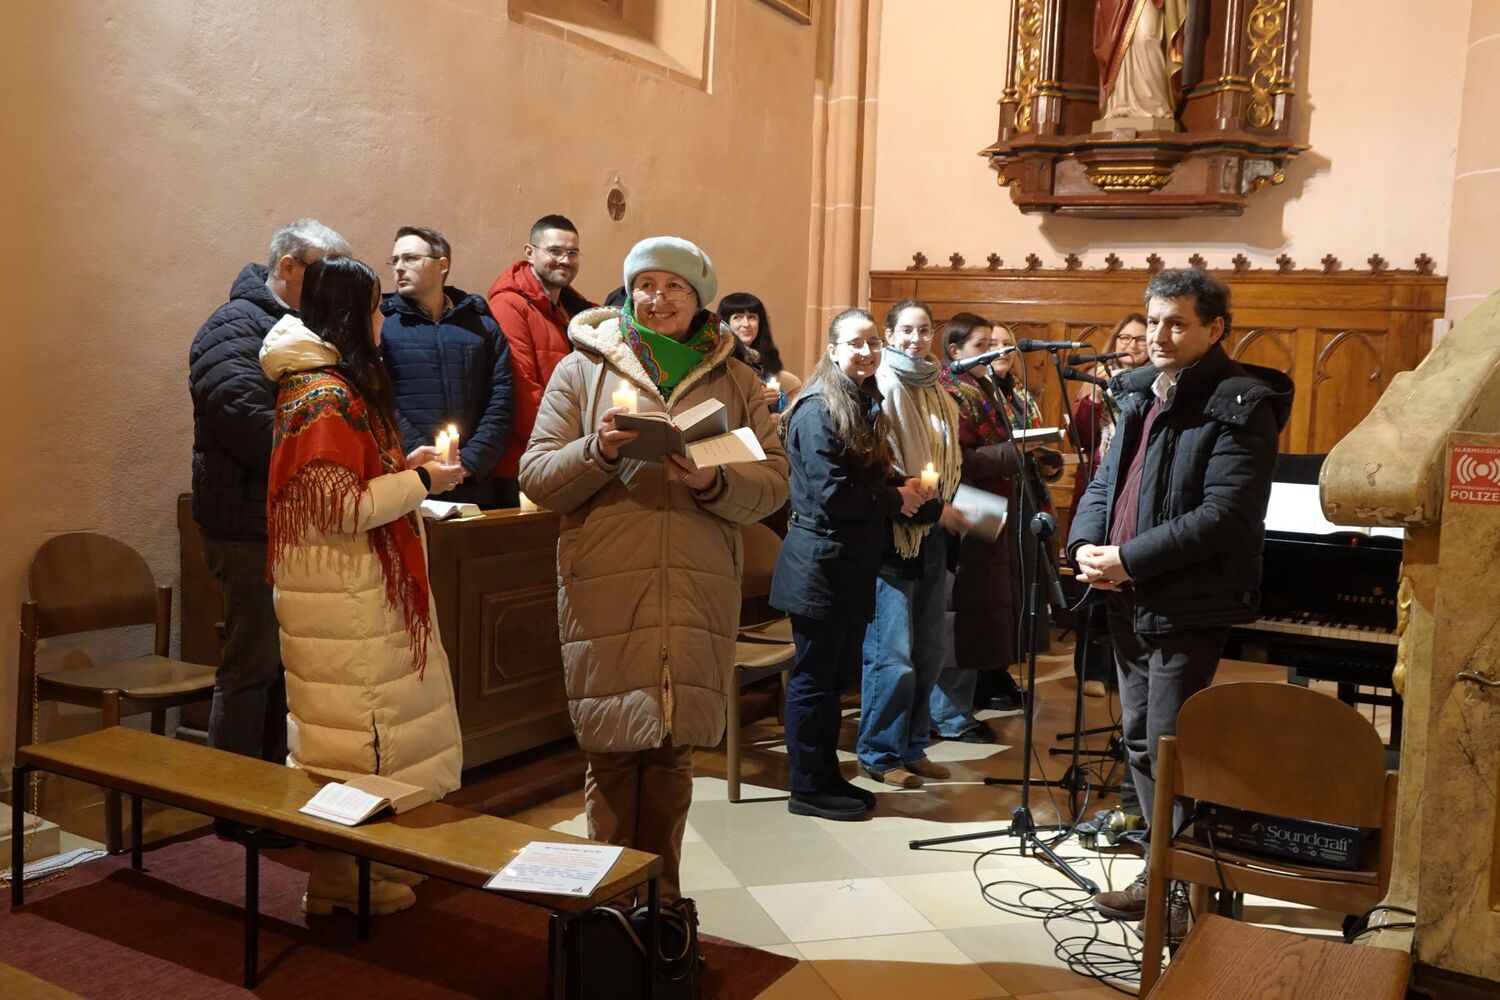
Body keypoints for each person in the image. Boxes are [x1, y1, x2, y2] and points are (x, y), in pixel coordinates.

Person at [520, 237, 788, 900]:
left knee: (672, 755)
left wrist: (711, 479)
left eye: (674, 287)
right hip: (607, 586)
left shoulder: (737, 381)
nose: (658, 298)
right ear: (629, 293)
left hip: (698, 586)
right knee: (612, 753)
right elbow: (538, 476)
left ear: (700, 300)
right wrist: (599, 450)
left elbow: (774, 483)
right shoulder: (582, 371)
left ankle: (662, 908)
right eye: (646, 285)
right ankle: (608, 909)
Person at [1069, 268, 1292, 938]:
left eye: (1177, 323)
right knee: (1140, 739)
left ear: (1215, 328)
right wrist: (1086, 545)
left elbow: (1225, 515)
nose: (1158, 336)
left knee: (1171, 745)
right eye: (1153, 320)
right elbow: (1107, 482)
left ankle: (1181, 890)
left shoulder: (1242, 402)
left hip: (1187, 602)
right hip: (1127, 594)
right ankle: (1159, 869)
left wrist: (1129, 558)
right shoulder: (1141, 392)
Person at [260, 255, 466, 918]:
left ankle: (355, 874)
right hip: (346, 598)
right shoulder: (324, 395)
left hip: (344, 589)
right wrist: (423, 482)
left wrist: (404, 464)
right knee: (357, 740)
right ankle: (348, 881)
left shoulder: (322, 384)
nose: (382, 319)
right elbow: (343, 508)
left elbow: (351, 480)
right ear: (349, 315)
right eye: (374, 307)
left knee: (350, 737)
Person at [188, 217, 350, 846]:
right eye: (321, 272)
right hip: (247, 526)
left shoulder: (303, 329)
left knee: (287, 669)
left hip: (289, 523)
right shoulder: (233, 326)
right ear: (287, 266)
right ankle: (233, 805)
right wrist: (322, 456)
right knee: (251, 666)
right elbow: (242, 416)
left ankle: (274, 795)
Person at [771, 309, 929, 820]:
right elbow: (834, 495)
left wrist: (902, 488)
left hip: (849, 563)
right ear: (833, 350)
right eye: (856, 343)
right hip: (818, 563)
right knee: (814, 681)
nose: (867, 352)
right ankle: (807, 788)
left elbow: (862, 477)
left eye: (874, 343)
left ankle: (827, 776)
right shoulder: (817, 408)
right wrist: (895, 498)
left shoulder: (861, 400)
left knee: (835, 681)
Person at [858, 299, 968, 788]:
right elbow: (883, 465)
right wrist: (930, 506)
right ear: (888, 334)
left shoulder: (939, 390)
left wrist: (941, 507)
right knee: (894, 654)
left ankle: (913, 744)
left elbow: (949, 458)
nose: (915, 340)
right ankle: (880, 753)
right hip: (893, 535)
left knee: (929, 649)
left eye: (924, 331)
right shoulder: (880, 383)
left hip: (932, 533)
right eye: (905, 330)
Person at [929, 313, 1028, 742]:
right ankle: (947, 715)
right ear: (954, 351)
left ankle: (962, 705)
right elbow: (958, 460)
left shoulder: (983, 388)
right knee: (959, 612)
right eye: (981, 345)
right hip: (963, 506)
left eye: (994, 344)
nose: (992, 352)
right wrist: (1014, 452)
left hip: (987, 504)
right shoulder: (951, 391)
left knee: (980, 610)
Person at [380, 225, 513, 508]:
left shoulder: (481, 326)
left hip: (473, 481)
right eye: (395, 260)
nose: (399, 267)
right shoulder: (383, 324)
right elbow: (381, 399)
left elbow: (501, 399)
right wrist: (423, 459)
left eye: (410, 258)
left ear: (442, 265)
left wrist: (471, 461)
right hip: (410, 477)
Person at [487, 215, 596, 506]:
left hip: (567, 454)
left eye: (572, 253)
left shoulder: (573, 310)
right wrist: (568, 446)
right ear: (530, 252)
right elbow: (521, 388)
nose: (565, 260)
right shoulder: (509, 304)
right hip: (528, 461)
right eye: (555, 251)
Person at [1071, 313, 1150, 699]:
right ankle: (1091, 669)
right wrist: (1095, 396)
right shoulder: (1096, 380)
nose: (1130, 345)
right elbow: (1079, 434)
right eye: (1124, 338)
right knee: (1092, 583)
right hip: (1098, 492)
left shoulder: (1155, 384)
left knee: (1125, 582)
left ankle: (1126, 668)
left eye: (1139, 339)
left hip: (1135, 496)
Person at [719, 291, 802, 422]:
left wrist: (774, 404)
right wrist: (754, 400)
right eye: (737, 317)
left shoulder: (763, 359)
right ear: (726, 323)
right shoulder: (721, 361)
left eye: (751, 317)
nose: (746, 324)